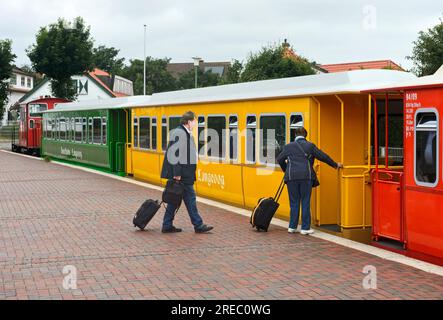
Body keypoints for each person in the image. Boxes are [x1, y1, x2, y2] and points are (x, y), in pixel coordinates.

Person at [277, 127, 342, 235]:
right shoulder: (310, 146)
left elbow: (279, 159)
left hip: (291, 178)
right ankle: (305, 228)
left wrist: (286, 170)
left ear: (295, 135)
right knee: (305, 201)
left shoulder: (288, 146)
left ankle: (292, 227)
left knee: (294, 202)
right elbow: (323, 157)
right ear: (305, 135)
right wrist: (335, 165)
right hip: (306, 177)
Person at [160, 111, 214, 234]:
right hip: (182, 175)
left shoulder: (184, 133)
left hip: (184, 174)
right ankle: (198, 225)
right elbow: (176, 155)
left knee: (174, 199)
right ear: (188, 122)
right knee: (190, 198)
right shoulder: (180, 133)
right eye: (194, 121)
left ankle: (167, 224)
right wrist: (177, 174)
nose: (195, 123)